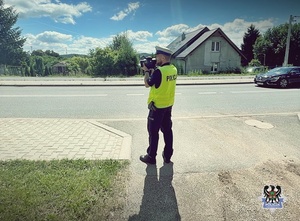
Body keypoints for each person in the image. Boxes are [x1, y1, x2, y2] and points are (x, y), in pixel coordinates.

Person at [140, 46, 177, 164]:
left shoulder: (159, 71)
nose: (156, 59)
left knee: (153, 132)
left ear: (162, 57)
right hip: (168, 105)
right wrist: (153, 71)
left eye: (157, 57)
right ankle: (168, 155)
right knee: (167, 131)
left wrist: (146, 71)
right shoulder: (173, 69)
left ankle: (151, 157)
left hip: (156, 107)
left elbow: (147, 84)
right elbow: (161, 81)